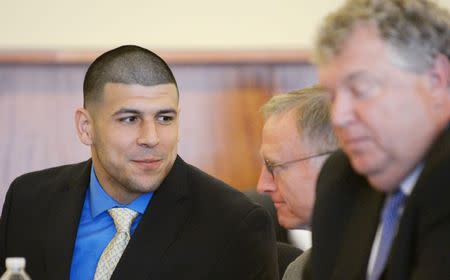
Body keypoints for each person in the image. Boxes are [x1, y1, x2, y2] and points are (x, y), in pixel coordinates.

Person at [0, 45, 279, 280]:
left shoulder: (233, 224)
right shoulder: (28, 201)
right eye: (130, 119)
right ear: (86, 127)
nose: (151, 138)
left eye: (164, 118)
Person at [304, 1, 450, 279]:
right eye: (332, 97)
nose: (339, 116)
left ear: (436, 78)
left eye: (360, 89)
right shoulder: (342, 178)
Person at [256, 86, 338, 280]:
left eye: (273, 165)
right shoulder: (299, 271)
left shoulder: (397, 256)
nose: (263, 186)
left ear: (332, 163)